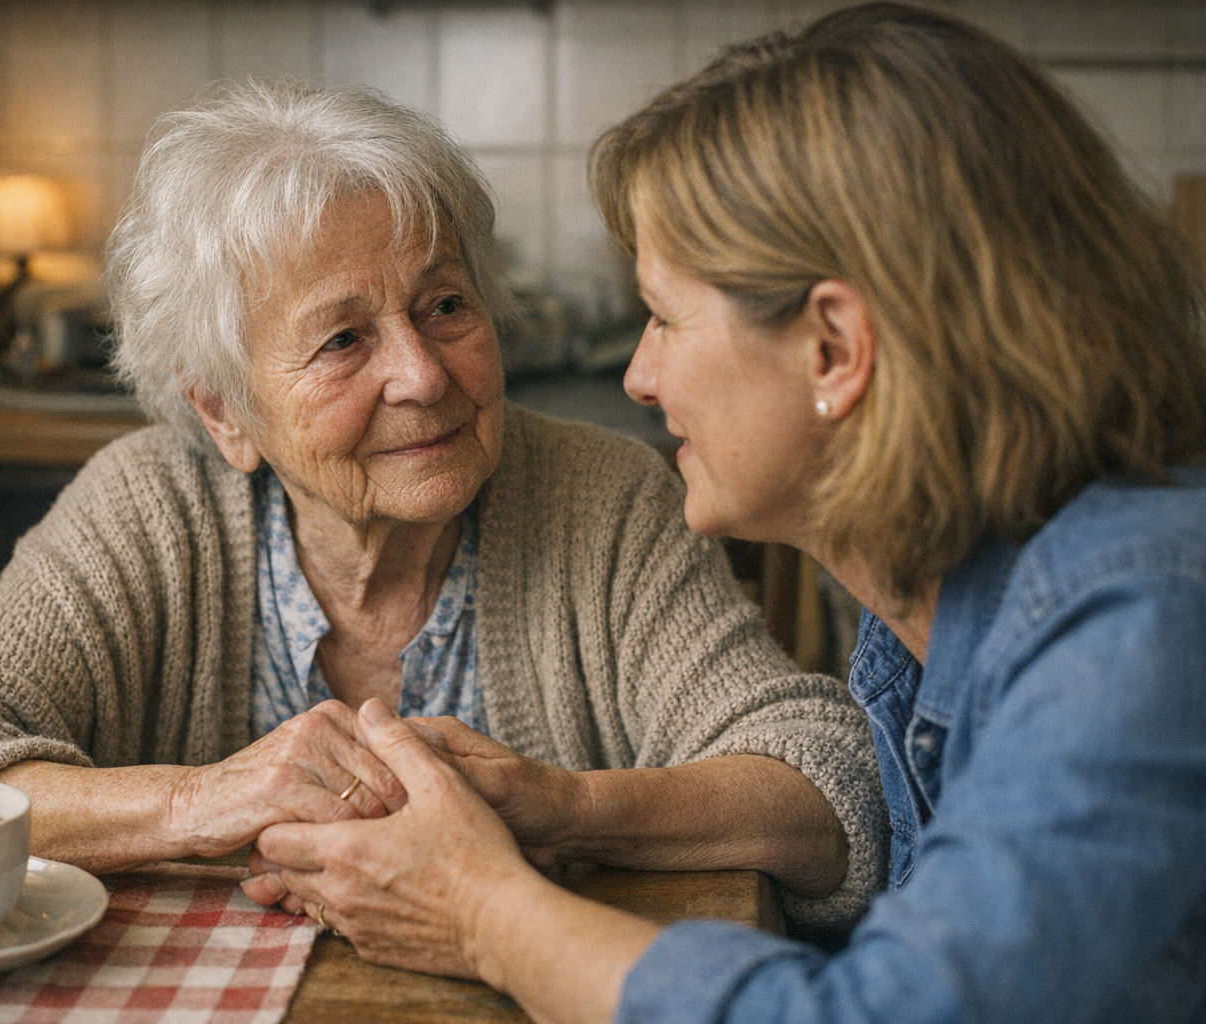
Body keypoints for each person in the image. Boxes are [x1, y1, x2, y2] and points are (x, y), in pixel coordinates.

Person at [247, 7, 1206, 1023]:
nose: (639, 376)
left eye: (663, 314)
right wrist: (566, 808)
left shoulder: (1135, 620)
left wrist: (482, 910)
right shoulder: (941, 595)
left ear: (834, 349)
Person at [0, 82, 886, 931]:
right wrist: (198, 801)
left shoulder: (601, 498)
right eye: (343, 339)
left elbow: (830, 787)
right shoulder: (151, 508)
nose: (422, 372)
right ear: (224, 411)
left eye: (445, 304)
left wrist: (570, 803)